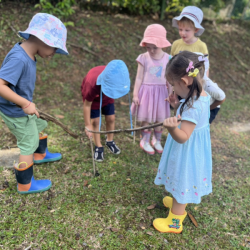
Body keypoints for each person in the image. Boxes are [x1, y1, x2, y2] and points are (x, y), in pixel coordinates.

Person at [0, 13, 68, 194]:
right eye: (54, 48)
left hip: (21, 106)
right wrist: (24, 103)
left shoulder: (28, 55)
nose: (54, 53)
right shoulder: (19, 58)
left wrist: (26, 102)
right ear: (42, 39)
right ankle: (25, 184)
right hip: (14, 111)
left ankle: (40, 154)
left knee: (39, 123)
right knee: (28, 142)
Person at [153, 51, 212, 234]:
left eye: (173, 85)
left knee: (182, 179)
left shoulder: (194, 106)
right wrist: (176, 106)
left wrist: (171, 129)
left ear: (185, 81)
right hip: (191, 149)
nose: (172, 89)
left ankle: (175, 222)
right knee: (180, 176)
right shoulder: (199, 95)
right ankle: (178, 204)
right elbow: (186, 114)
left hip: (187, 150)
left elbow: (184, 136)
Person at [131, 24, 172, 155]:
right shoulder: (143, 58)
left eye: (155, 47)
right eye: (148, 47)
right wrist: (135, 94)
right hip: (147, 93)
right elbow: (138, 78)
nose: (152, 50)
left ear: (163, 45)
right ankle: (145, 140)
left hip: (161, 93)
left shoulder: (168, 59)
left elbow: (169, 79)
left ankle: (157, 140)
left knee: (160, 118)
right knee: (147, 118)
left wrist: (171, 94)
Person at [81, 60, 130, 162]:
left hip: (107, 95)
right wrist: (87, 124)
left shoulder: (114, 78)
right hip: (94, 99)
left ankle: (110, 140)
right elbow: (87, 105)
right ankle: (98, 146)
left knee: (111, 118)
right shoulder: (92, 84)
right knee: (95, 122)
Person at [171, 6, 208, 76]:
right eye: (180, 29)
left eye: (187, 30)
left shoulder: (201, 46)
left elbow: (205, 66)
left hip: (193, 82)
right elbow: (171, 64)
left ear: (196, 29)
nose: (183, 33)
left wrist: (203, 82)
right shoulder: (176, 44)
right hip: (177, 81)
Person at [195, 53, 226, 123]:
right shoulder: (190, 82)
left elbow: (222, 98)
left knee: (202, 125)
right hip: (199, 106)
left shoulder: (210, 87)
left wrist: (209, 108)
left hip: (211, 108)